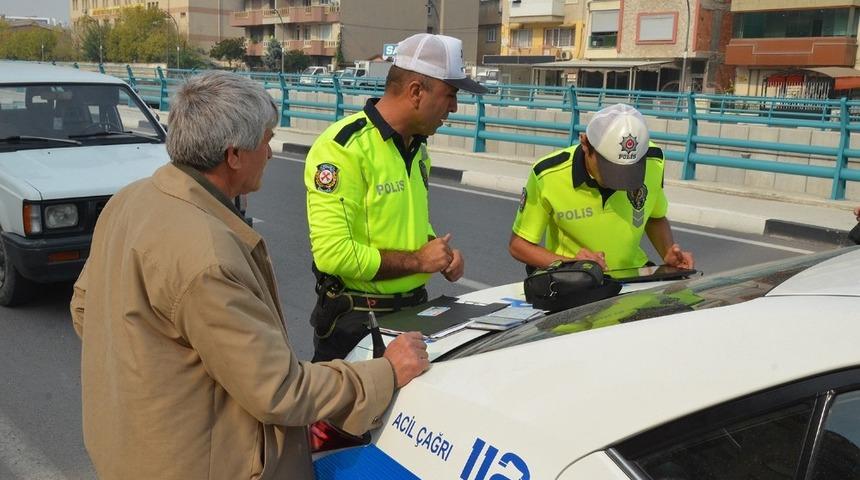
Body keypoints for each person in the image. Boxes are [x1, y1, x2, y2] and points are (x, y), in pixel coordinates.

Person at [69, 71, 429, 480]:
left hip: (129, 446)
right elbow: (279, 390)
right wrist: (385, 372)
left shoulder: (130, 199)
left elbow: (85, 310)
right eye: (266, 139)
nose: (271, 153)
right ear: (234, 154)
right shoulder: (207, 253)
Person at [304, 33, 488, 362]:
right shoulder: (342, 148)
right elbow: (333, 255)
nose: (455, 107)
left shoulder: (417, 148)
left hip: (413, 312)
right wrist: (419, 261)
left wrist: (437, 250)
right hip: (357, 325)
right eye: (450, 94)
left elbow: (406, 221)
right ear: (416, 91)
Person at [510, 103, 694, 273]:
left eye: (629, 170)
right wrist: (570, 263)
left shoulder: (654, 161)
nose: (619, 181)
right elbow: (519, 245)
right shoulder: (547, 174)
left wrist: (668, 252)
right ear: (585, 144)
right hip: (577, 283)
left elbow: (655, 217)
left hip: (634, 278)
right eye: (610, 168)